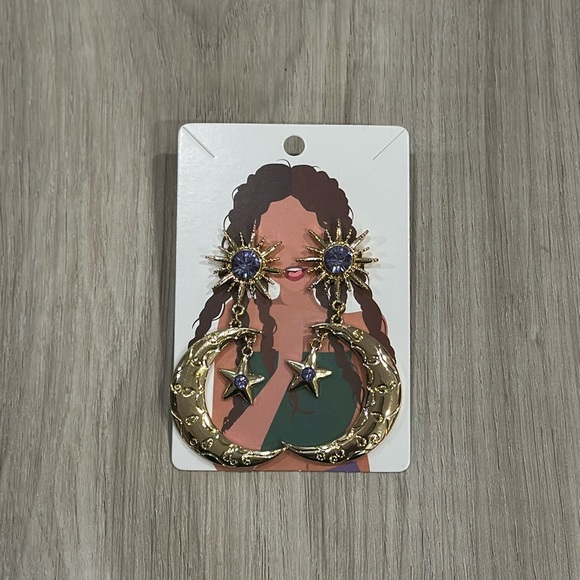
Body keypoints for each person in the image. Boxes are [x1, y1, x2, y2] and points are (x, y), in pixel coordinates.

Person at [193, 164, 394, 471]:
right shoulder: (239, 323)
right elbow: (225, 454)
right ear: (249, 245)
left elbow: (366, 447)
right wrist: (284, 369)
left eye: (308, 237)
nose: (292, 258)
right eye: (274, 240)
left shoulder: (363, 327)